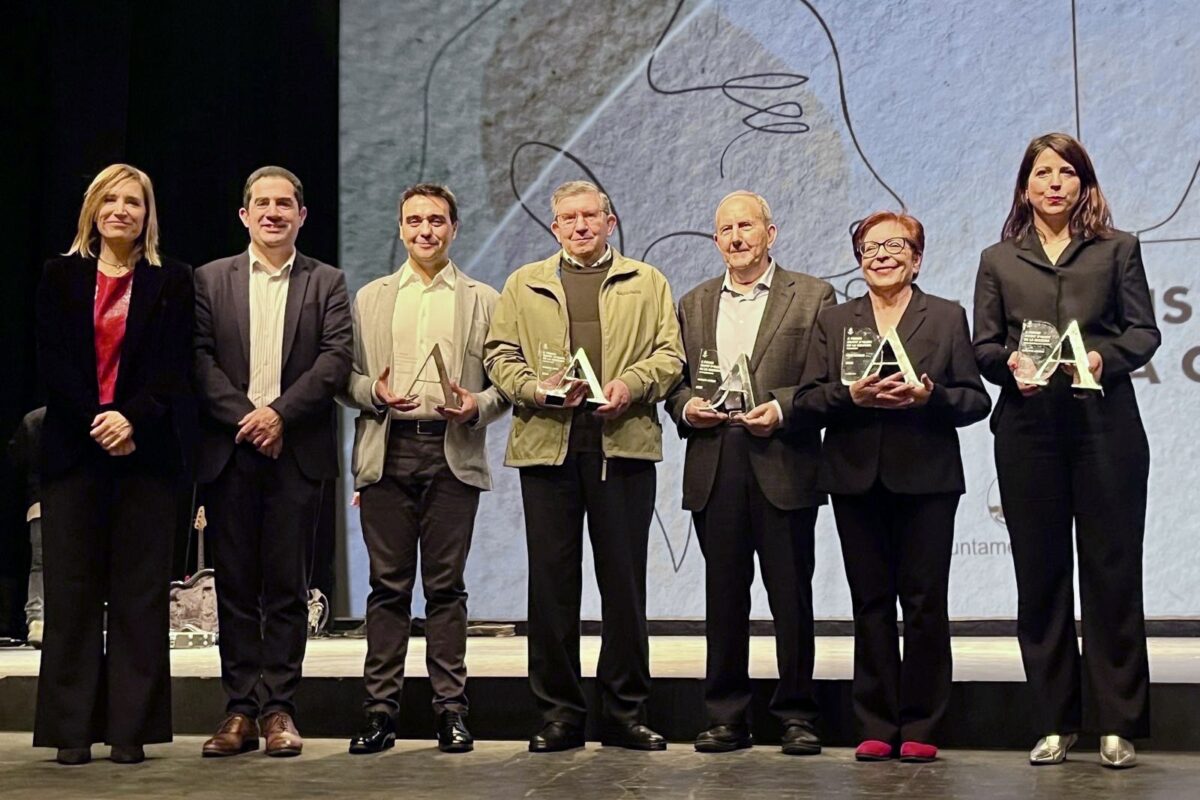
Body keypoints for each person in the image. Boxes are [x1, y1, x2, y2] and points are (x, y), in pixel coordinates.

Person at [973, 133, 1160, 769]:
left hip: (1105, 429)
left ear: (1084, 182)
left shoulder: (1118, 250)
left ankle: (1117, 723)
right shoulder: (999, 259)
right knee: (1042, 578)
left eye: (1066, 172)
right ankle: (1055, 720)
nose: (1054, 183)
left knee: (1111, 574)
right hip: (1029, 433)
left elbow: (1145, 331)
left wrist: (1106, 357)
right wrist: (1009, 365)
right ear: (1025, 185)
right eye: (1042, 172)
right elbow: (984, 347)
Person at [484, 180, 684, 753]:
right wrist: (533, 390)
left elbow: (670, 355)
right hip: (548, 449)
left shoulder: (648, 282)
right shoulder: (526, 283)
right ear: (554, 228)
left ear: (610, 221)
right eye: (568, 218)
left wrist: (631, 384)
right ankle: (558, 716)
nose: (580, 225)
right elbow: (499, 354)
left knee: (624, 589)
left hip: (622, 447)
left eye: (590, 216)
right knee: (552, 589)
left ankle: (624, 713)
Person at [793, 211, 990, 762]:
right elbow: (807, 400)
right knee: (871, 603)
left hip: (927, 480)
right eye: (869, 246)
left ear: (917, 258)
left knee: (925, 604)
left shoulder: (946, 317)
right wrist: (847, 396)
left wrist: (933, 398)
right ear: (859, 260)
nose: (880, 254)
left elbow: (977, 401)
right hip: (855, 479)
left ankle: (923, 722)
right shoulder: (836, 321)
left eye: (894, 246)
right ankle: (877, 721)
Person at [33, 164, 194, 765]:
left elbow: (174, 369)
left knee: (139, 596)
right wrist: (99, 420)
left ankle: (131, 731)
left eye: (134, 201)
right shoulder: (59, 276)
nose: (121, 209)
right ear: (93, 209)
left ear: (147, 215)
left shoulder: (171, 280)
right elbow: (52, 364)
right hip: (75, 454)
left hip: (145, 456)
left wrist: (131, 419)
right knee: (72, 595)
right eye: (111, 199)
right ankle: (70, 733)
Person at [665, 191, 834, 754]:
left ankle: (797, 716)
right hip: (716, 462)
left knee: (792, 598)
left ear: (771, 233)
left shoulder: (812, 296)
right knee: (724, 599)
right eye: (725, 230)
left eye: (747, 227)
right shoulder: (692, 303)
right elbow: (677, 383)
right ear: (716, 240)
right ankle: (726, 716)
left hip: (782, 457)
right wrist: (687, 407)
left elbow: (821, 382)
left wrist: (782, 408)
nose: (736, 238)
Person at [342, 184, 507, 754]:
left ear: (454, 228)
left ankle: (451, 711)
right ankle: (380, 712)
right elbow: (345, 378)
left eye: (436, 220)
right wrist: (374, 392)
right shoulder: (371, 297)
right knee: (387, 588)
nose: (425, 231)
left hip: (451, 452)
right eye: (414, 221)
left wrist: (477, 406)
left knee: (446, 589)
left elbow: (503, 384)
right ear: (401, 227)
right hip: (388, 453)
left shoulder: (483, 298)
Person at [194, 166, 352, 758]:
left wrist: (280, 415)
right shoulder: (209, 281)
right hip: (231, 452)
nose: (273, 213)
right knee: (234, 587)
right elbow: (199, 360)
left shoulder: (328, 282)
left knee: (288, 588)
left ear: (301, 215)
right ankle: (238, 710)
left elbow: (335, 360)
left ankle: (281, 709)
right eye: (261, 203)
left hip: (295, 453)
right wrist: (249, 417)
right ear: (244, 215)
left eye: (284, 204)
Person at [8, 407, 46, 648]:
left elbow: (16, 460)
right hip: (71, 502)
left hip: (39, 502)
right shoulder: (80, 420)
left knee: (40, 564)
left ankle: (38, 619)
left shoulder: (32, 418)